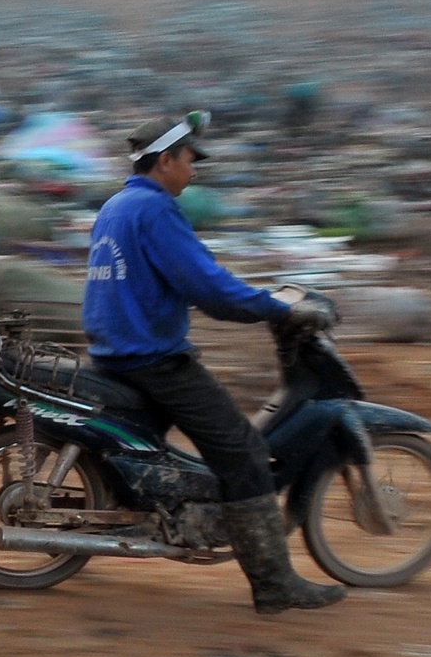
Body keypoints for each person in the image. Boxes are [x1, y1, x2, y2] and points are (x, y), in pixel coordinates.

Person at [82, 113, 344, 615]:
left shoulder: (117, 205)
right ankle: (274, 583)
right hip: (152, 359)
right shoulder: (155, 211)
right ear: (165, 161)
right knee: (243, 451)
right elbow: (208, 286)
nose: (194, 172)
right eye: (189, 160)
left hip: (115, 352)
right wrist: (277, 307)